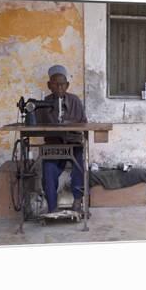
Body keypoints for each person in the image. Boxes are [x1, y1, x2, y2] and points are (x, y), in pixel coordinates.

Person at [37, 65, 87, 213]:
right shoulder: (44, 103)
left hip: (73, 144)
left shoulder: (75, 101)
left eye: (62, 84)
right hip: (53, 146)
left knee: (80, 166)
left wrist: (70, 126)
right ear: (49, 85)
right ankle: (52, 207)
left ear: (67, 85)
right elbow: (37, 127)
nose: (59, 87)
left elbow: (84, 123)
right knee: (48, 168)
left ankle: (77, 202)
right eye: (55, 84)